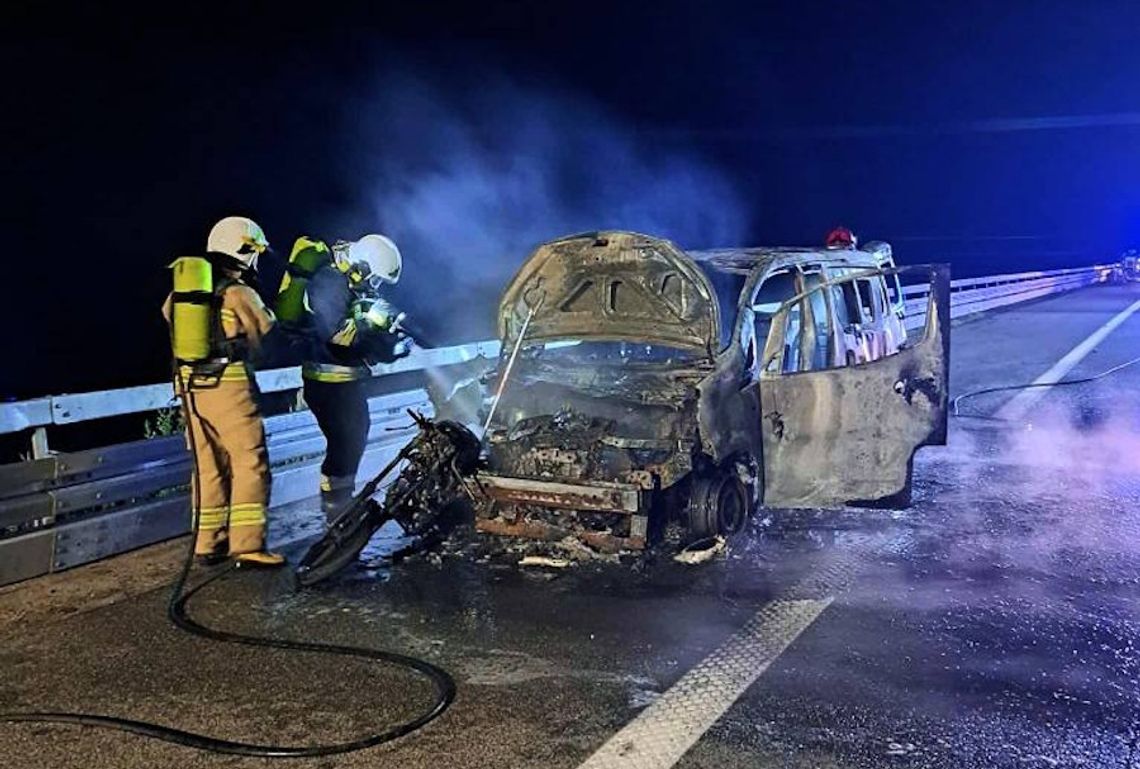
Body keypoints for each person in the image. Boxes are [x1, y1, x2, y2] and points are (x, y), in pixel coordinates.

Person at [164, 216, 284, 566]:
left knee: (207, 466)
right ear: (246, 252)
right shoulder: (239, 292)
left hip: (188, 388)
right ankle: (248, 546)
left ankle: (207, 543)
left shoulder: (181, 295)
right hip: (227, 386)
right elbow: (268, 333)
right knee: (250, 461)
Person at [275, 233, 412, 514]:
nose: (373, 285)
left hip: (345, 381)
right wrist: (367, 321)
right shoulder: (330, 281)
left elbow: (365, 340)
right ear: (362, 264)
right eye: (373, 278)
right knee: (345, 444)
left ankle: (340, 501)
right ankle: (336, 506)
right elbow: (337, 335)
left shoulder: (353, 286)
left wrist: (392, 344)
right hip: (327, 381)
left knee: (353, 440)